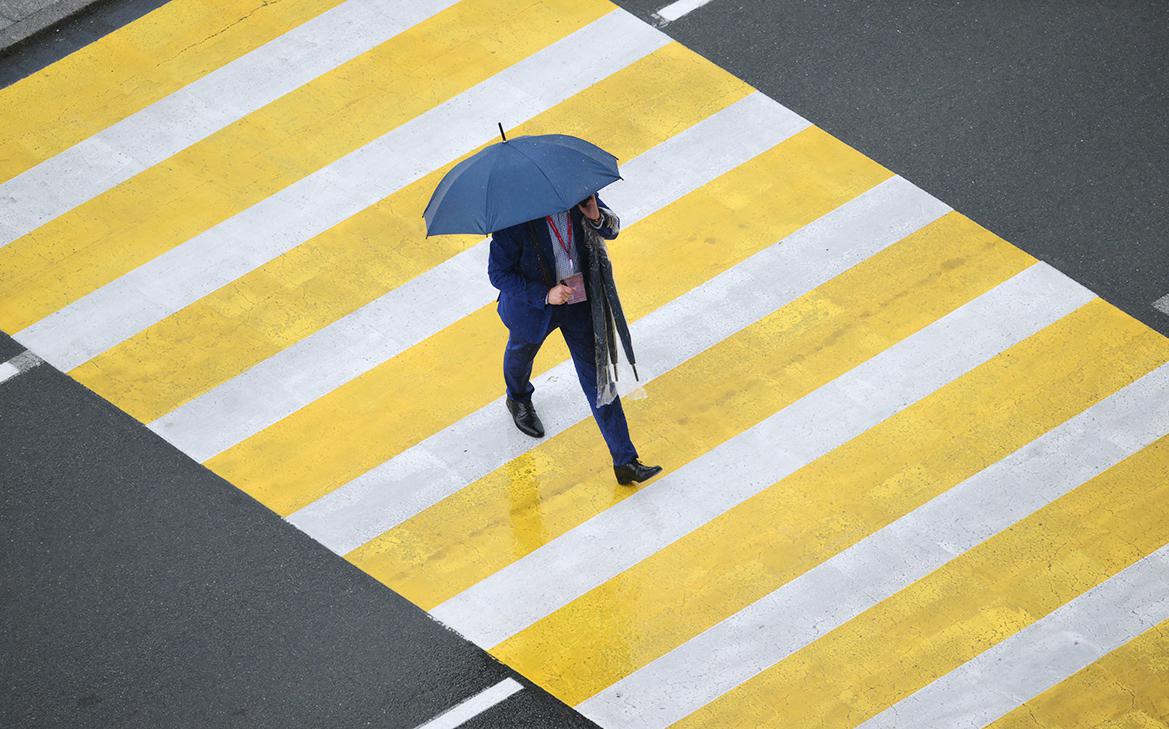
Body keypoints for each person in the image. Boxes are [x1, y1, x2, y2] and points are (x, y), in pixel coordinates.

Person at [487, 193, 662, 485]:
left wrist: (596, 216)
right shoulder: (513, 218)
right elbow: (498, 274)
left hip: (579, 302)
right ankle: (517, 397)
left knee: (599, 380)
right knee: (520, 356)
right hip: (534, 309)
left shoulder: (576, 193)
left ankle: (625, 460)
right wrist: (546, 294)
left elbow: (612, 229)